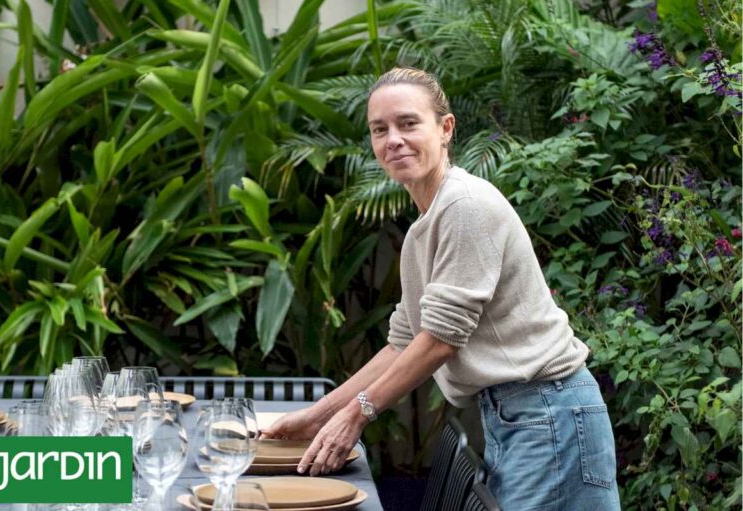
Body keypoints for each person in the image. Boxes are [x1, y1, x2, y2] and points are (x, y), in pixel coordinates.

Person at [260, 67, 620, 510]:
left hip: (549, 413)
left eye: (408, 123)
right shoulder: (426, 225)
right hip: (521, 414)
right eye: (380, 129)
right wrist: (315, 419)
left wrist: (356, 416)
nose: (393, 139)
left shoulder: (464, 206)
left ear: (445, 128)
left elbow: (441, 342)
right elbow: (404, 342)